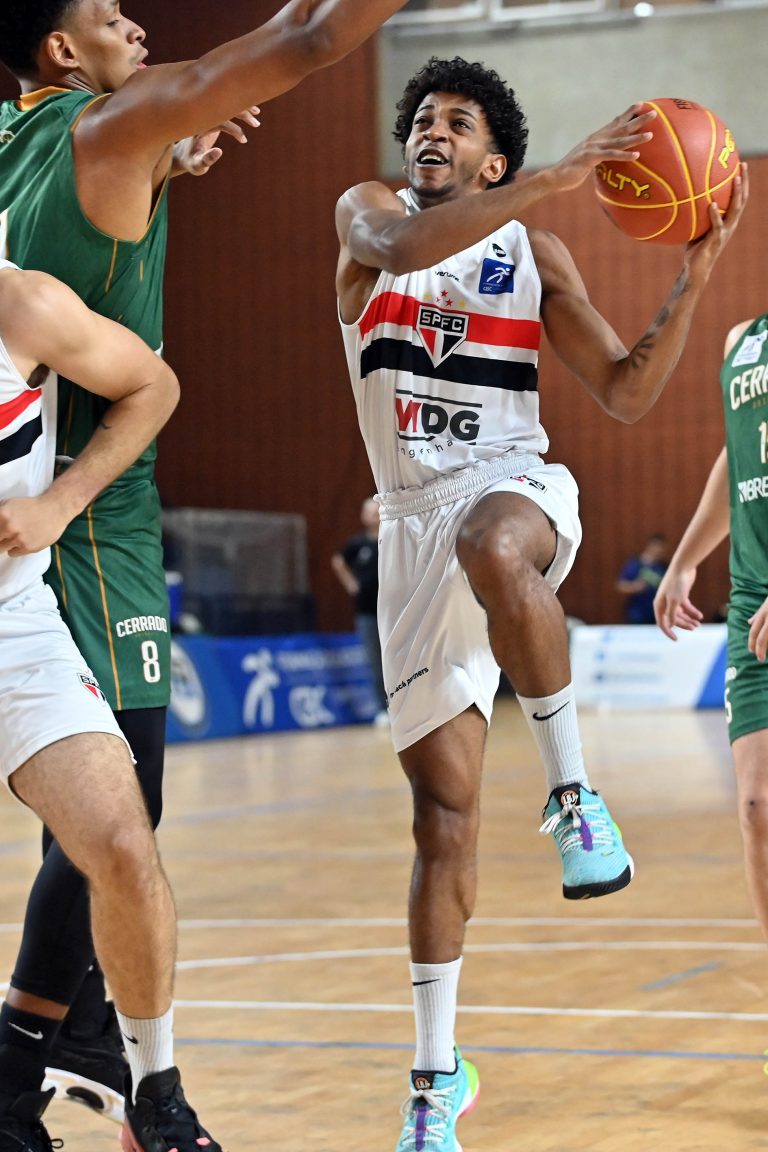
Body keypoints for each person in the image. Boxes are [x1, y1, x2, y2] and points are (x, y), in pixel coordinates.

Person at [0, 0, 410, 1135]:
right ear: (62, 50)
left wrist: (157, 167)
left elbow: (62, 230)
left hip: (57, 479)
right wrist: (148, 143)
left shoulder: (21, 140)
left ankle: (68, 1037)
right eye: (107, 12)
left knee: (107, 814)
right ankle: (40, 1046)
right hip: (78, 499)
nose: (135, 22)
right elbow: (306, 40)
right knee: (123, 803)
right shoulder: (108, 125)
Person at [334, 56, 746, 1151]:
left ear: (493, 160)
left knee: (492, 537)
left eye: (458, 123)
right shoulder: (368, 215)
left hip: (513, 490)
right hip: (410, 530)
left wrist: (694, 278)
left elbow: (625, 392)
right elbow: (398, 248)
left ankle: (573, 793)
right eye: (423, 118)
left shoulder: (533, 250)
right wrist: (558, 176)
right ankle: (436, 1079)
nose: (432, 132)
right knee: (442, 821)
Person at [0, 258, 219, 1151]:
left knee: (124, 841)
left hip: (14, 624)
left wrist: (59, 502)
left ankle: (153, 1092)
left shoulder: (21, 303)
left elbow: (152, 385)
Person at [654, 315, 768, 976]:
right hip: (755, 600)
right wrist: (685, 560)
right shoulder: (742, 341)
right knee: (757, 808)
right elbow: (738, 456)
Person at [331, 496, 389, 724]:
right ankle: (382, 708)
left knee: (395, 659)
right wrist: (351, 584)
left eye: (376, 512)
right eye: (369, 512)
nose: (373, 516)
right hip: (366, 613)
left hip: (391, 611)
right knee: (375, 661)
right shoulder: (357, 544)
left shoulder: (390, 538)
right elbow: (338, 561)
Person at [615, 531, 669, 623]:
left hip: (657, 614)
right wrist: (634, 587)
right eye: (657, 547)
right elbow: (620, 586)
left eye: (662, 548)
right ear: (650, 546)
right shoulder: (635, 564)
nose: (659, 550)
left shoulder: (663, 567)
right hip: (637, 614)